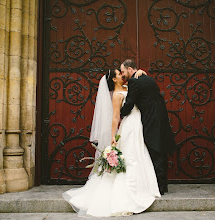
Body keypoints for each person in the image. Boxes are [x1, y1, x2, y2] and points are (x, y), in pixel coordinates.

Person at [63, 68, 161, 217]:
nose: (122, 75)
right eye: (118, 74)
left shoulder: (129, 87)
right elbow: (115, 117)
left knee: (139, 155)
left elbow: (139, 89)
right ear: (114, 80)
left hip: (137, 126)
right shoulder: (117, 95)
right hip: (128, 128)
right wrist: (112, 137)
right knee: (131, 158)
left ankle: (143, 189)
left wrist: (140, 73)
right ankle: (129, 194)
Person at [120, 59, 176, 195]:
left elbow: (130, 102)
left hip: (150, 119)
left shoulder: (134, 81)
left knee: (153, 151)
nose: (122, 74)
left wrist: (119, 114)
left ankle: (158, 187)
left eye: (123, 71)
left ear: (130, 69)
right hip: (160, 118)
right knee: (160, 151)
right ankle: (163, 185)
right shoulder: (149, 79)